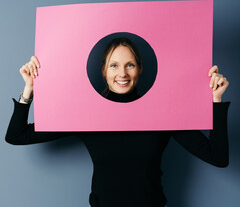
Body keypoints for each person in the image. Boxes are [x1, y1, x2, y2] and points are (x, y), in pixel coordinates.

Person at [5, 37, 230, 207]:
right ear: (103, 70)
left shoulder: (162, 112)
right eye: (114, 65)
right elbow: (17, 136)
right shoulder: (87, 115)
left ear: (140, 69)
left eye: (129, 65)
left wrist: (216, 100)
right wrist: (29, 90)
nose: (122, 73)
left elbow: (218, 157)